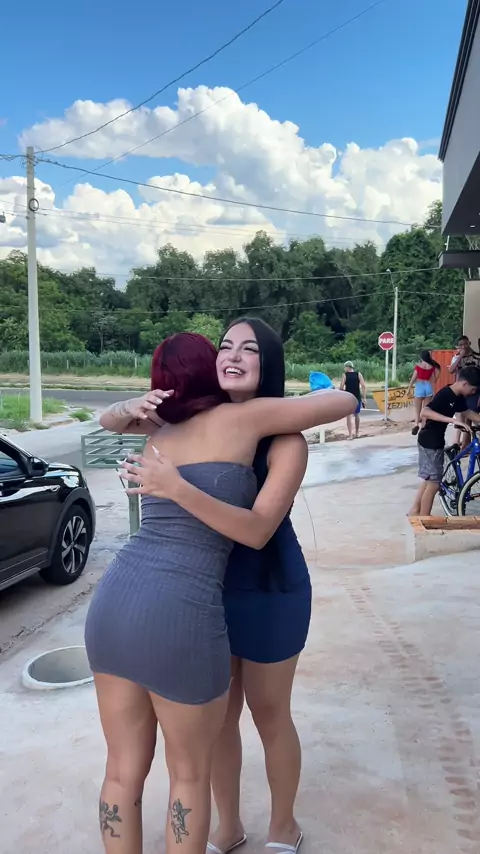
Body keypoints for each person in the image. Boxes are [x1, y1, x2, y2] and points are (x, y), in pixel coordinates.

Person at [86, 330, 357, 854]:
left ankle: (282, 826)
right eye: (225, 347)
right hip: (195, 597)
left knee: (263, 717)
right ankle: (227, 828)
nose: (233, 356)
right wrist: (131, 405)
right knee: (204, 748)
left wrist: (173, 480)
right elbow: (110, 420)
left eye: (249, 349)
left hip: (251, 586)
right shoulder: (175, 421)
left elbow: (258, 530)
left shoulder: (264, 430)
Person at [408, 366, 480, 517]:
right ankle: (425, 518)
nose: (474, 393)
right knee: (434, 484)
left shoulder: (458, 396)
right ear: (465, 384)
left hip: (434, 440)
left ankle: (415, 510)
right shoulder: (445, 394)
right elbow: (425, 412)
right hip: (429, 441)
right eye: (473, 389)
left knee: (429, 478)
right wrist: (452, 420)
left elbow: (467, 412)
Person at [448, 335, 480, 447]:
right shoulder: (457, 358)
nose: (463, 347)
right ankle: (462, 443)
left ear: (469, 343)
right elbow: (451, 370)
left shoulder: (477, 357)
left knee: (468, 417)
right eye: (460, 345)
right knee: (461, 416)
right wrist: (460, 356)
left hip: (474, 391)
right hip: (461, 392)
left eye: (465, 344)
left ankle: (465, 444)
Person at [407, 350, 441, 436]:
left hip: (419, 387)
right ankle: (423, 427)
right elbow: (434, 380)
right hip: (428, 387)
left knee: (417, 410)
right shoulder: (431, 367)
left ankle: (416, 425)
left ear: (421, 357)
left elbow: (413, 378)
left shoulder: (418, 366)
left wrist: (409, 388)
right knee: (425, 409)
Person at [339, 361, 366, 439]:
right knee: (356, 414)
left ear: (348, 367)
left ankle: (350, 435)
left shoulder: (345, 375)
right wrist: (364, 398)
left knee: (349, 416)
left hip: (348, 398)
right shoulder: (358, 374)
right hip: (357, 397)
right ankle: (357, 433)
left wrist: (341, 393)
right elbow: (363, 386)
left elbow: (341, 387)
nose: (344, 369)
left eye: (345, 367)